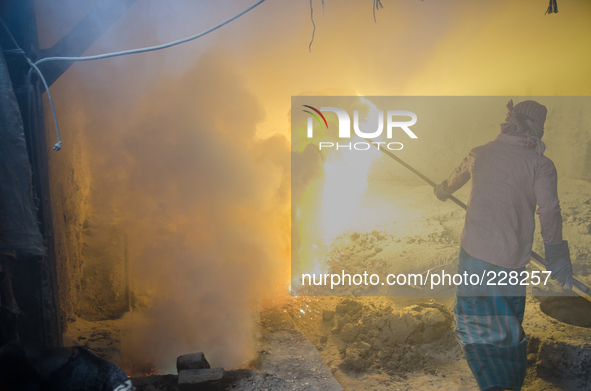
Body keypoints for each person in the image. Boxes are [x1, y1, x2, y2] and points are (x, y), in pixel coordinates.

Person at [434, 99, 574, 391]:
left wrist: (443, 189)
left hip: (474, 253)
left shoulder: (480, 153)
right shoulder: (541, 165)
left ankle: (496, 383)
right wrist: (556, 254)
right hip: (511, 259)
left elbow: (454, 179)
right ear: (536, 128)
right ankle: (505, 381)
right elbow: (549, 212)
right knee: (506, 325)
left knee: (475, 323)